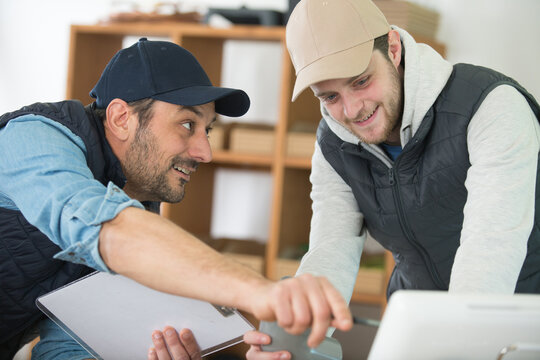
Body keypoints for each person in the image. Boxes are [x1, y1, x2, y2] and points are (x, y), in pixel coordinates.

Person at [0, 38, 353, 360]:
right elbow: (106, 228)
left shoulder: (136, 205)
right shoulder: (35, 141)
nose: (205, 152)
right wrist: (259, 293)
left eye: (208, 129)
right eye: (187, 124)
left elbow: (65, 347)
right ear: (122, 118)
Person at [245, 0, 540, 358]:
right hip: (417, 321)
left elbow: (490, 250)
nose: (352, 111)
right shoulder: (333, 144)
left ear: (394, 48)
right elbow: (331, 250)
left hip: (519, 324)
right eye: (330, 96)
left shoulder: (491, 107)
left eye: (361, 81)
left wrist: (461, 343)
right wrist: (293, 341)